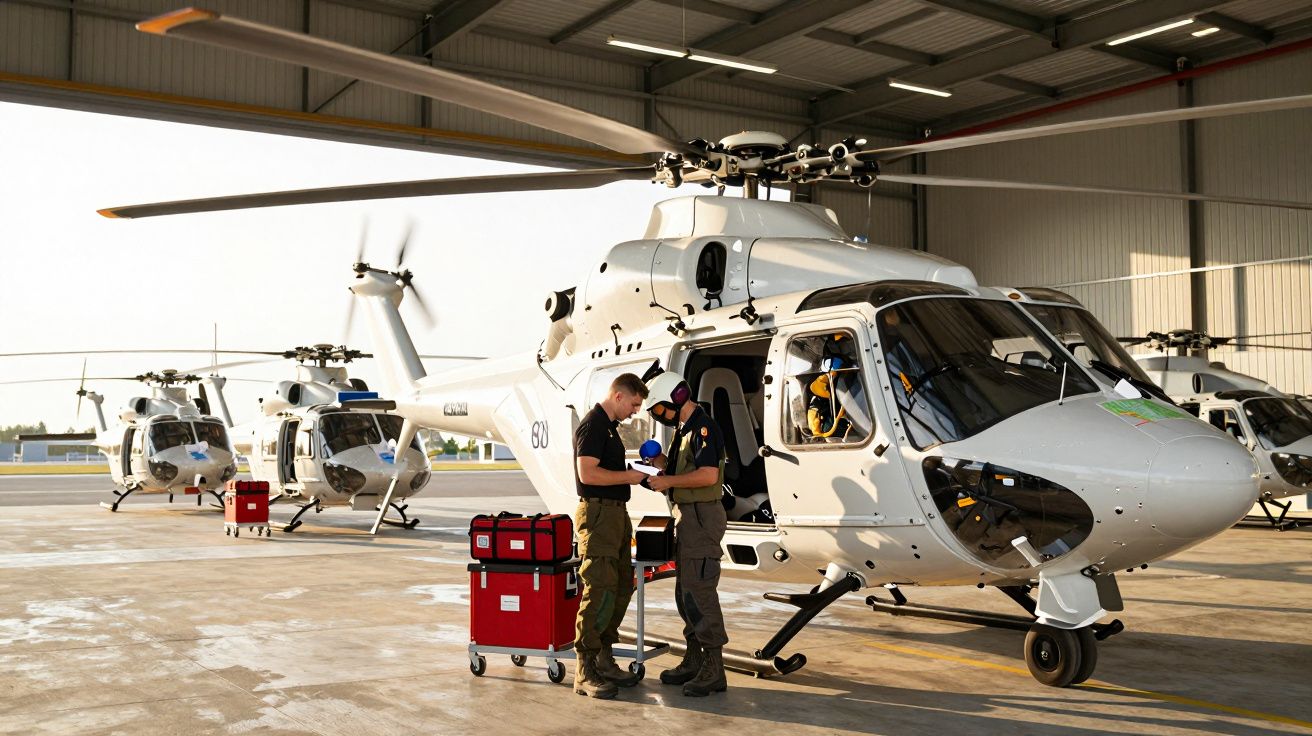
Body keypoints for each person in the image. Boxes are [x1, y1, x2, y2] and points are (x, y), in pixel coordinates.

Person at [642, 370, 729, 697]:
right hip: (686, 517)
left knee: (700, 590)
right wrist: (660, 463)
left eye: (661, 409)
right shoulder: (685, 431)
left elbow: (707, 475)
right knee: (686, 591)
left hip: (701, 518)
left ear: (676, 398)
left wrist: (668, 482)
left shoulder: (705, 428)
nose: (661, 417)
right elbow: (685, 471)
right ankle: (695, 658)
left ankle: (714, 667)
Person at [572, 373, 650, 699]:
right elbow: (587, 472)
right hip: (599, 514)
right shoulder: (592, 425)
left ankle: (604, 656)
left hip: (616, 514)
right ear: (618, 396)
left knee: (620, 585)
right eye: (633, 404)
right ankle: (584, 669)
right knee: (598, 587)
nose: (635, 411)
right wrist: (631, 476)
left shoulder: (610, 430)